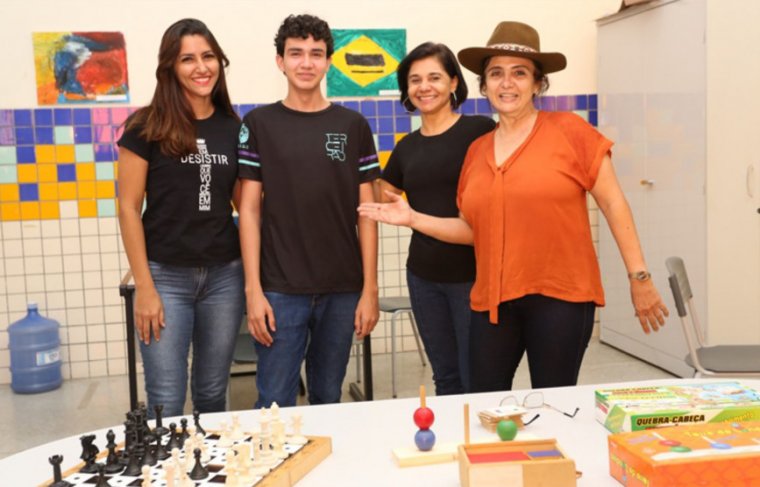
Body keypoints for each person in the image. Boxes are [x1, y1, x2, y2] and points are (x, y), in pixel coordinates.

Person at [359, 21, 669, 392]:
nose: (507, 83)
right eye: (496, 74)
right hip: (494, 302)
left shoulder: (570, 131)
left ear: (538, 83)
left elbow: (614, 203)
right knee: (481, 402)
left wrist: (640, 277)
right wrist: (413, 218)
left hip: (561, 299)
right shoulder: (477, 151)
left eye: (519, 73)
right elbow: (472, 231)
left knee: (553, 403)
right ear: (484, 85)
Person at [237, 14, 380, 408]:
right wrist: (253, 291)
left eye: (316, 54)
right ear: (280, 61)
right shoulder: (259, 123)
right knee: (274, 402)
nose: (306, 62)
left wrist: (370, 289)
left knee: (327, 398)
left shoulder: (352, 125)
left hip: (342, 287)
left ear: (328, 61)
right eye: (295, 53)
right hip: (281, 289)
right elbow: (248, 210)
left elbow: (366, 212)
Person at [117, 18, 244, 418]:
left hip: (224, 276)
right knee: (166, 398)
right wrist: (145, 288)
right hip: (165, 276)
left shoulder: (234, 127)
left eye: (208, 56)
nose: (201, 67)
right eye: (187, 58)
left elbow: (247, 203)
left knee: (211, 393)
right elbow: (127, 207)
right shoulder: (145, 125)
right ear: (170, 66)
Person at [380, 42, 494, 395]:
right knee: (444, 377)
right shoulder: (407, 147)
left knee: (477, 376)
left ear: (454, 83)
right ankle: (451, 445)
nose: (424, 87)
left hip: (473, 278)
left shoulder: (480, 132)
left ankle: (480, 448)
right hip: (423, 278)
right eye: (415, 80)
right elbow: (379, 193)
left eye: (434, 77)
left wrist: (411, 216)